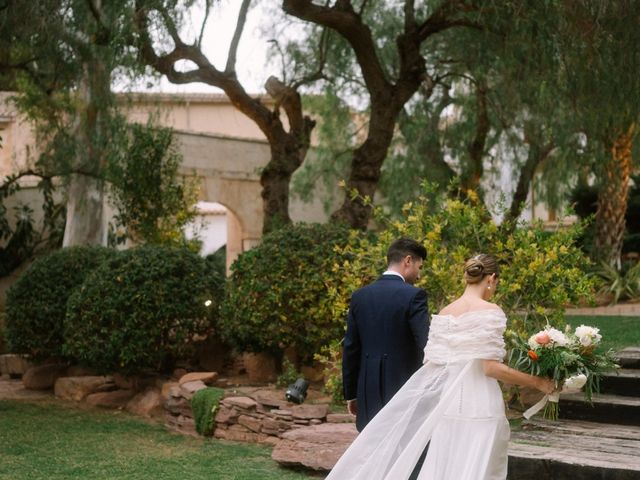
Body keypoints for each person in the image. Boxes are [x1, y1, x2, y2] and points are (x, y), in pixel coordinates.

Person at [327, 254, 556, 480]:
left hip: (447, 407)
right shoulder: (490, 311)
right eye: (496, 283)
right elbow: (490, 368)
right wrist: (537, 382)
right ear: (491, 278)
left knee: (445, 467)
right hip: (480, 405)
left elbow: (433, 365)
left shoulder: (445, 312)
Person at [342, 237, 429, 432]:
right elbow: (426, 344)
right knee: (404, 450)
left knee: (371, 449)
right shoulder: (414, 296)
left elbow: (351, 348)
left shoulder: (360, 296)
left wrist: (352, 394)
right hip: (404, 388)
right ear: (408, 261)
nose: (419, 275)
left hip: (367, 390)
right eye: (419, 267)